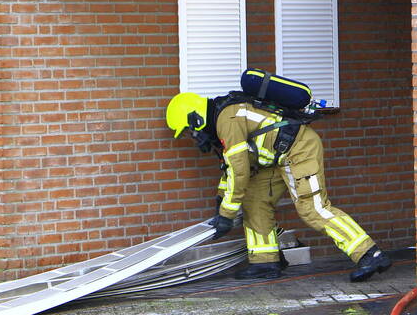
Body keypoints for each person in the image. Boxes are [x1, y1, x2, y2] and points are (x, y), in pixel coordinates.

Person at [165, 90, 392, 282]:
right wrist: (220, 199)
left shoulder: (227, 120)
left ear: (196, 118)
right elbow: (231, 168)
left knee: (312, 209)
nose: (193, 137)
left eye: (189, 131)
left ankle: (369, 254)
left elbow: (239, 170)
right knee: (254, 200)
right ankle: (265, 262)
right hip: (278, 159)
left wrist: (226, 213)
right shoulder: (222, 120)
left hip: (299, 150)